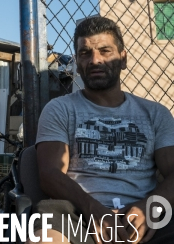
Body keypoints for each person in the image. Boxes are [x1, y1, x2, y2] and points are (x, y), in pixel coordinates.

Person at [32, 16, 174, 244]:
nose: (95, 60)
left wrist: (152, 205)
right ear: (77, 62)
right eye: (85, 53)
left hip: (143, 213)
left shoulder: (156, 113)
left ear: (123, 58)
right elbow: (49, 175)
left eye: (105, 51)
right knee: (46, 228)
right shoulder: (60, 109)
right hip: (78, 213)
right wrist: (92, 208)